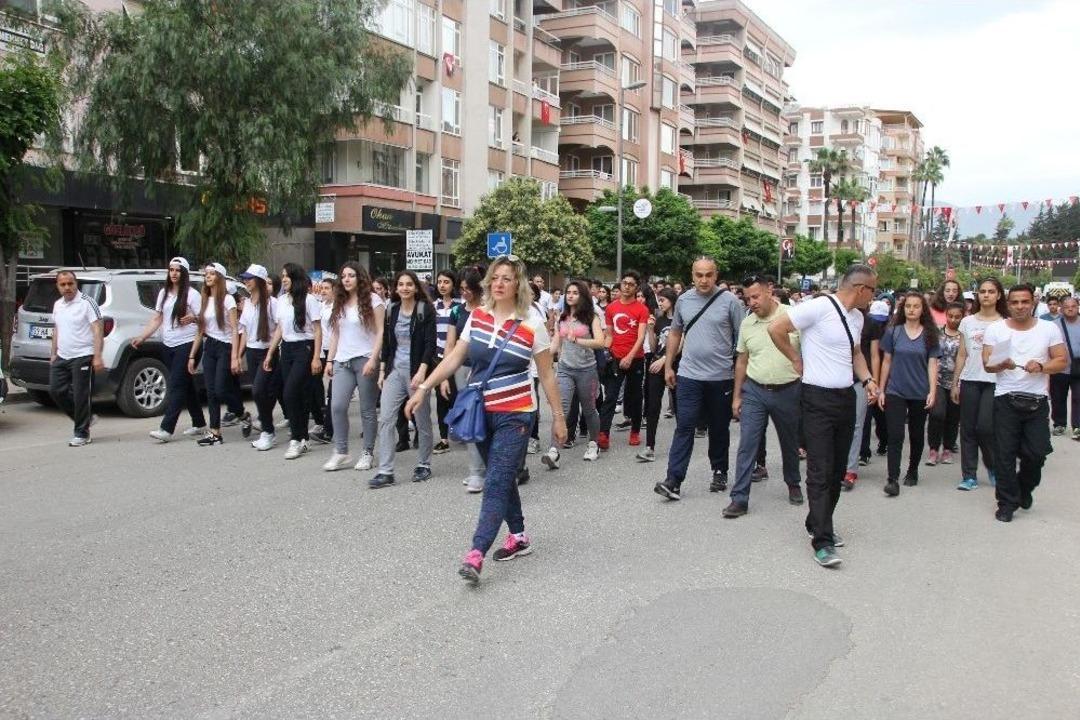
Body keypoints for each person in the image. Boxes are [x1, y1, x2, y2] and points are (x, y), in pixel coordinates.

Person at [403, 256, 566, 584]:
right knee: (500, 476)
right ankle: (519, 536)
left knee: (495, 480)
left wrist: (558, 418)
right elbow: (454, 358)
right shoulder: (476, 317)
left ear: (518, 284)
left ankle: (475, 554)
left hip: (517, 412)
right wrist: (424, 387)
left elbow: (547, 376)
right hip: (481, 413)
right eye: (496, 278)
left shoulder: (532, 325)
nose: (500, 283)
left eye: (508, 278)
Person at [767, 265, 879, 568]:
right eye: (873, 290)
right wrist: (795, 359)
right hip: (816, 398)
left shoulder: (856, 318)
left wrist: (868, 380)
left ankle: (818, 521)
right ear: (860, 288)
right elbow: (775, 329)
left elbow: (855, 353)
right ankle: (823, 540)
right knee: (819, 469)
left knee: (837, 470)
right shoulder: (817, 307)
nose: (874, 296)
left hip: (845, 397)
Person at [653, 257, 745, 500]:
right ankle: (673, 479)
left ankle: (719, 470)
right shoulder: (683, 300)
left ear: (716, 275)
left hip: (720, 377)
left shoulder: (730, 302)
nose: (703, 280)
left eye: (708, 275)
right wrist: (669, 365)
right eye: (699, 275)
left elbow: (741, 342)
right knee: (684, 427)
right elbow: (675, 333)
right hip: (689, 375)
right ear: (692, 275)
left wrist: (740, 381)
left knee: (718, 428)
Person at [982, 284, 1068, 522]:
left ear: (1033, 303)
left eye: (1025, 302)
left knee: (1037, 453)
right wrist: (1002, 364)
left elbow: (1061, 360)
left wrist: (1041, 367)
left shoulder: (1048, 328)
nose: (1020, 306)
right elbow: (987, 363)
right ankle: (1007, 502)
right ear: (1008, 304)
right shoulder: (996, 329)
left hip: (1037, 401)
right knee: (1005, 454)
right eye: (1015, 302)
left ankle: (1024, 487)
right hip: (1005, 399)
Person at [723, 275, 804, 518]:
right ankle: (739, 498)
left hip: (788, 390)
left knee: (790, 443)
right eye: (747, 299)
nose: (752, 303)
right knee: (747, 445)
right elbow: (742, 361)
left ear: (769, 291)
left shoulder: (793, 316)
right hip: (755, 391)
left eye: (755, 297)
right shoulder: (748, 324)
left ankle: (793, 483)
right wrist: (737, 396)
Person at [371, 270, 436, 488]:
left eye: (409, 284)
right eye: (401, 284)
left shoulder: (424, 310)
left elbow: (430, 344)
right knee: (386, 419)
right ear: (395, 288)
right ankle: (386, 471)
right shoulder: (391, 310)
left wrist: (422, 371)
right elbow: (388, 345)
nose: (405, 288)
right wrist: (382, 372)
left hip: (417, 372)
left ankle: (424, 463)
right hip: (395, 372)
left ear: (416, 287)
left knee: (422, 420)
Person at [133, 257, 206, 442]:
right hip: (169, 344)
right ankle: (199, 423)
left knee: (176, 385)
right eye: (171, 270)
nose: (174, 273)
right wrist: (142, 337)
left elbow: (204, 321)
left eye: (178, 270)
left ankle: (166, 428)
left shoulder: (192, 295)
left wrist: (193, 318)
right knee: (186, 385)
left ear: (184, 273)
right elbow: (157, 319)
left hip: (188, 344)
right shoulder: (164, 293)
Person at [322, 262, 385, 471]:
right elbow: (335, 335)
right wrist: (330, 360)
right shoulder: (339, 302)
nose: (346, 279)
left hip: (365, 359)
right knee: (337, 406)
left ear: (360, 278)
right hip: (342, 360)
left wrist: (374, 359)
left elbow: (380, 332)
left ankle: (367, 452)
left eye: (351, 275)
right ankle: (341, 451)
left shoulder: (373, 300)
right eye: (343, 276)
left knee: (367, 410)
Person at [876, 292, 940, 495]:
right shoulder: (893, 332)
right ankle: (892, 478)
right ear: (902, 309)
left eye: (916, 306)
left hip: (919, 392)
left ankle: (912, 470)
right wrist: (881, 389)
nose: (911, 310)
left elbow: (933, 364)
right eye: (908, 306)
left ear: (923, 310)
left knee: (916, 433)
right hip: (895, 390)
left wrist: (932, 391)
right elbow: (886, 361)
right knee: (895, 434)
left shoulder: (930, 335)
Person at [951, 278, 1008, 491]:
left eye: (991, 291)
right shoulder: (967, 322)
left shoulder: (1005, 322)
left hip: (995, 381)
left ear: (998, 295)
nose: (986, 295)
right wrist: (955, 382)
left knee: (985, 427)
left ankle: (992, 466)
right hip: (970, 379)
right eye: (982, 291)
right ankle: (969, 475)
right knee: (967, 429)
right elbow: (962, 354)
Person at [543, 280, 605, 469]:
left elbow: (600, 342)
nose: (570, 295)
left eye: (575, 293)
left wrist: (578, 340)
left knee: (589, 409)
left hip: (587, 369)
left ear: (582, 296)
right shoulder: (562, 318)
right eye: (568, 292)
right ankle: (553, 450)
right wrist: (542, 354)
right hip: (565, 369)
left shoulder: (591, 317)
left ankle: (594, 444)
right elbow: (555, 344)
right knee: (560, 408)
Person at [263, 263, 323, 459]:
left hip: (304, 348)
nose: (284, 279)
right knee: (298, 395)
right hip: (286, 349)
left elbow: (317, 330)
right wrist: (270, 353)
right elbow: (280, 329)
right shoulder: (281, 300)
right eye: (283, 276)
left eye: (287, 275)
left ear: (296, 278)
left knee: (289, 393)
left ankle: (296, 440)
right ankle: (303, 437)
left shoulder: (310, 300)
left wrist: (316, 357)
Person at [187, 263, 250, 447]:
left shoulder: (227, 300)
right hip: (210, 347)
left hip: (225, 347)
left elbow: (234, 329)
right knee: (211, 392)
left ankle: (242, 414)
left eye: (212, 274)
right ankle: (215, 433)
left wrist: (235, 357)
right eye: (206, 274)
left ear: (220, 278)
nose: (208, 276)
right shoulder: (205, 299)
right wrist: (192, 355)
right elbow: (201, 330)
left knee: (221, 389)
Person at [443, 265, 488, 492]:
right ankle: (476, 472)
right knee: (472, 419)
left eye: (469, 288)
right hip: (462, 370)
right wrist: (444, 376)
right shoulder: (456, 311)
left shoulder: (490, 310)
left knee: (490, 419)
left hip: (487, 371)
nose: (464, 292)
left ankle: (493, 467)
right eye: (461, 288)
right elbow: (450, 345)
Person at [49, 270, 104, 447]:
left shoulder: (87, 303)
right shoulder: (57, 305)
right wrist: (53, 353)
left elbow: (97, 329)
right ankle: (86, 418)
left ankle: (82, 433)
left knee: (81, 395)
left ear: (76, 283)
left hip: (83, 355)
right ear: (58, 286)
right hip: (62, 356)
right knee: (56, 390)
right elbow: (57, 329)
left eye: (70, 283)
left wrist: (97, 356)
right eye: (63, 284)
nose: (67, 287)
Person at [598, 271, 650, 448]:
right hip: (615, 358)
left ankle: (635, 431)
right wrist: (605, 352)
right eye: (624, 283)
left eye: (631, 284)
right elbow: (609, 334)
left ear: (636, 288)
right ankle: (603, 433)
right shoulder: (612, 308)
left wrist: (629, 356)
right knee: (610, 396)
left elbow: (641, 337)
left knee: (635, 397)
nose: (626, 286)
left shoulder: (642, 309)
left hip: (635, 359)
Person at [234, 264, 281, 451]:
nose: (246, 281)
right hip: (252, 352)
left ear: (259, 281)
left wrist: (271, 352)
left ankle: (268, 432)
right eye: (245, 278)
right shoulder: (247, 303)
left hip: (268, 352)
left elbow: (280, 327)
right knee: (261, 392)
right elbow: (244, 331)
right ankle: (267, 426)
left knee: (259, 391)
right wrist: (238, 355)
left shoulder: (272, 304)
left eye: (249, 278)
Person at [639, 288, 677, 462]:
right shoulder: (659, 320)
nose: (660, 303)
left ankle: (681, 445)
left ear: (671, 300)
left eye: (663, 300)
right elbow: (654, 347)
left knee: (679, 407)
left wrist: (664, 360)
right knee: (653, 406)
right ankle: (649, 446)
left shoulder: (679, 320)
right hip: (655, 365)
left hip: (675, 366)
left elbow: (679, 345)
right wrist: (649, 329)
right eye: (659, 300)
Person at [926, 302, 964, 465]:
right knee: (937, 414)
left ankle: (947, 448)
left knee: (953, 417)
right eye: (951, 316)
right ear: (946, 315)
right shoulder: (937, 333)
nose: (953, 319)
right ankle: (933, 448)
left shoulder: (965, 335)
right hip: (938, 380)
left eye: (957, 317)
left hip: (958, 381)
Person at [432, 270, 461, 455]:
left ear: (453, 284)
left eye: (446, 282)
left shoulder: (461, 306)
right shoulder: (432, 306)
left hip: (458, 357)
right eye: (440, 282)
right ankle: (443, 438)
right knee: (442, 397)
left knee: (458, 396)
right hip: (438, 357)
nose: (442, 285)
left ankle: (460, 427)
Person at [1049, 296, 1080, 438]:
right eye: (1067, 306)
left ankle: (1077, 427)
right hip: (1060, 367)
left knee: (1078, 397)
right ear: (1061, 308)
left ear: (1078, 306)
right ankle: (1059, 424)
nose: (1070, 308)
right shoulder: (1053, 325)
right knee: (1058, 397)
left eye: (1073, 306)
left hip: (1078, 367)